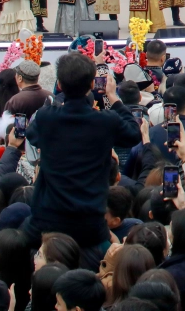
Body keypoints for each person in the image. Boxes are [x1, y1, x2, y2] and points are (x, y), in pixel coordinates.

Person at [23, 53, 142, 271]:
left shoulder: (47, 117)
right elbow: (134, 133)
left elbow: (31, 135)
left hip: (47, 220)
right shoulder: (105, 121)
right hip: (90, 224)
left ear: (59, 84)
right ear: (91, 84)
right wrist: (113, 98)